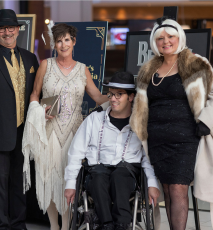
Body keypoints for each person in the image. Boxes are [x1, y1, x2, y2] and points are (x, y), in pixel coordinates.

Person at [130, 16, 213, 230]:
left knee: (178, 190)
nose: (165, 41)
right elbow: (139, 103)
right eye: (160, 38)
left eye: (170, 36)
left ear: (180, 38)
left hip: (185, 139)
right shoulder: (148, 70)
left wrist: (206, 120)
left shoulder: (196, 64)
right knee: (166, 191)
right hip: (156, 139)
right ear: (154, 42)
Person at [28, 23, 108, 230]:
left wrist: (120, 97)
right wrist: (38, 110)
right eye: (59, 40)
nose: (63, 44)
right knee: (49, 178)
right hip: (49, 131)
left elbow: (98, 97)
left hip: (75, 133)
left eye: (66, 39)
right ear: (54, 43)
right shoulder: (45, 64)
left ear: (73, 41)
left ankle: (67, 226)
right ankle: (54, 226)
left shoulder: (82, 69)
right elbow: (35, 94)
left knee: (68, 179)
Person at [64, 72, 160, 230]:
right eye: (111, 94)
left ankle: (122, 225)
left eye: (119, 95)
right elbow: (76, 152)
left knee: (119, 176)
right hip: (96, 171)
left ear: (131, 97)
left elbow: (146, 158)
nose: (113, 98)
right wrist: (70, 184)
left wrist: (152, 183)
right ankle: (107, 225)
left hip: (127, 172)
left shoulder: (139, 124)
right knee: (99, 176)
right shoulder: (94, 119)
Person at [0, 9, 39, 230]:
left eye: (10, 28)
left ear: (17, 30)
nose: (7, 32)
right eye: (1, 28)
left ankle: (18, 224)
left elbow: (36, 93)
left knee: (20, 182)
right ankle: (2, 226)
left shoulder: (30, 57)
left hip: (24, 132)